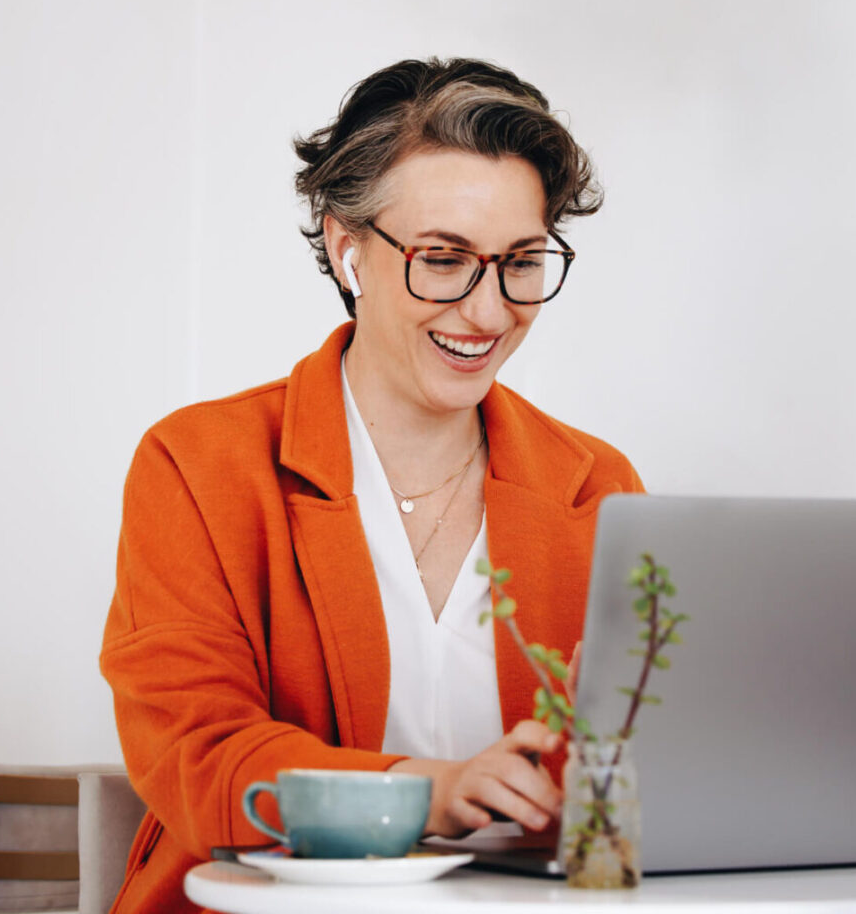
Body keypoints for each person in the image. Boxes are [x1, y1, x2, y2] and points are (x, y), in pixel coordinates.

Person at [100, 57, 643, 912]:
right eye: (443, 259)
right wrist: (428, 790)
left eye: (522, 261)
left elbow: (636, 762)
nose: (489, 311)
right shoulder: (198, 464)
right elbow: (196, 757)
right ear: (346, 247)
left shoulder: (596, 486)